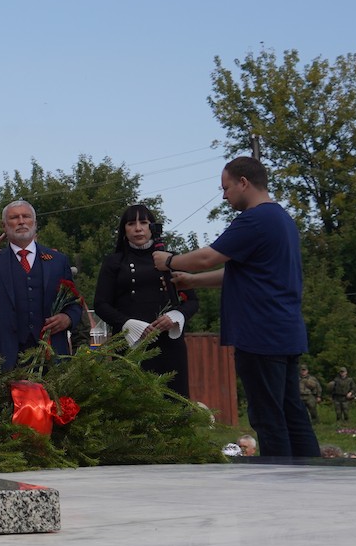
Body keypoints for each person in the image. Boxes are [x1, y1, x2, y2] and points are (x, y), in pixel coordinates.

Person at [159, 157, 319, 459]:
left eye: (226, 188)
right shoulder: (282, 219)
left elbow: (208, 257)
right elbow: (238, 273)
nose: (224, 196)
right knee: (292, 412)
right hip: (284, 331)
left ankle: (281, 479)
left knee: (268, 417)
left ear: (243, 182)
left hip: (260, 333)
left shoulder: (254, 219)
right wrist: (192, 281)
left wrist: (168, 261)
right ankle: (313, 475)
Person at [93, 203, 192, 396]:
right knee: (131, 400)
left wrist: (175, 316)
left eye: (144, 223)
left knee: (173, 401)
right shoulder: (114, 262)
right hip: (129, 345)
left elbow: (192, 301)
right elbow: (101, 304)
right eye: (131, 223)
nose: (138, 228)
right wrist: (128, 324)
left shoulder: (171, 260)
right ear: (124, 229)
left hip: (169, 345)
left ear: (152, 227)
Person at [0, 201, 81, 370]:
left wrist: (68, 318)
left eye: (26, 216)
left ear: (35, 223)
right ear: (4, 225)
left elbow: (74, 304)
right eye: (14, 217)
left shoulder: (58, 261)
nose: (21, 221)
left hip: (53, 358)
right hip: (6, 361)